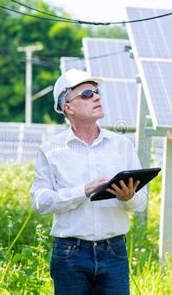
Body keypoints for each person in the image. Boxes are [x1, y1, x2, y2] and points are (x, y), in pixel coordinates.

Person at [30, 69, 148, 295]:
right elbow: (40, 201)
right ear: (68, 106)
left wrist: (128, 198)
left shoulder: (122, 145)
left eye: (96, 92)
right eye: (86, 94)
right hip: (69, 255)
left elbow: (140, 203)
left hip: (114, 252)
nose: (96, 97)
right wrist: (83, 191)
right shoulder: (51, 150)